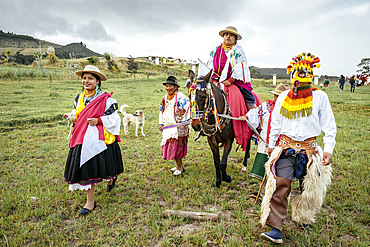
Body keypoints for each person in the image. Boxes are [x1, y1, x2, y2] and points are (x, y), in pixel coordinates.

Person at [259, 52, 337, 244]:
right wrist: (271, 145)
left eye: (305, 71)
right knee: (280, 185)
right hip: (285, 149)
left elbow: (329, 125)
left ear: (311, 73)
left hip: (309, 151)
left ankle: (303, 216)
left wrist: (328, 149)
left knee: (307, 188)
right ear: (292, 73)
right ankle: (276, 228)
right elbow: (275, 123)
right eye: (298, 71)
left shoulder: (320, 97)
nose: (301, 75)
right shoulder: (284, 96)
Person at [63, 65, 124, 216]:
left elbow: (114, 119)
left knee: (106, 166)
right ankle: (90, 202)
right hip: (83, 137)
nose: (86, 81)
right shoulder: (79, 98)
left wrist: (98, 120)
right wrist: (70, 117)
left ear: (97, 81)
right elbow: (78, 114)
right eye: (84, 78)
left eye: (90, 78)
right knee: (88, 166)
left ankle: (111, 180)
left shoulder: (107, 100)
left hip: (100, 137)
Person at [206, 26, 257, 152]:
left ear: (235, 38)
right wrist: (212, 79)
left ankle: (252, 114)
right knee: (203, 97)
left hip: (233, 80)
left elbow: (241, 65)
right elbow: (210, 64)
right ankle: (203, 124)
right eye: (226, 34)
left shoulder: (238, 50)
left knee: (247, 95)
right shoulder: (215, 50)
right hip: (216, 80)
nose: (228, 36)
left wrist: (231, 80)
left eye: (231, 35)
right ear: (223, 37)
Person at [238, 83, 290, 198]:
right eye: (276, 96)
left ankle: (274, 192)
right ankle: (261, 190)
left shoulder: (290, 110)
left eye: (279, 96)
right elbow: (255, 112)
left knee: (278, 167)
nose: (276, 98)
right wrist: (246, 117)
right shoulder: (266, 106)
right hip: (265, 140)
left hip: (282, 143)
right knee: (262, 165)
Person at [159, 76, 190, 175]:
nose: (168, 88)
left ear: (176, 87)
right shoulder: (164, 98)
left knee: (176, 147)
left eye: (170, 86)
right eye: (167, 86)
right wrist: (161, 123)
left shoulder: (181, 98)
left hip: (178, 128)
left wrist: (185, 121)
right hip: (168, 127)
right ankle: (178, 165)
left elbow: (188, 108)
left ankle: (179, 167)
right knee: (171, 147)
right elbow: (161, 111)